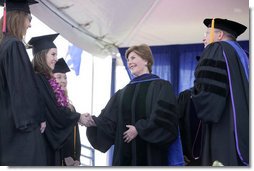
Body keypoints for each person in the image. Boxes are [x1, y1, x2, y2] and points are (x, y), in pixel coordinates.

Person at [86, 44, 180, 166]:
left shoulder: (161, 86)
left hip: (151, 156)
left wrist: (139, 129)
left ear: (146, 60)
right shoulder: (122, 93)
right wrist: (93, 122)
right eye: (128, 60)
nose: (129, 62)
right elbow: (109, 121)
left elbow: (166, 120)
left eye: (133, 58)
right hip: (124, 159)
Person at [191, 18, 249, 166]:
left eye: (207, 33)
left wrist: (195, 96)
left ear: (220, 35)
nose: (204, 38)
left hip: (224, 124)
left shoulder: (217, 48)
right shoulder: (244, 54)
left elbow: (208, 90)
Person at [28, 33, 87, 166]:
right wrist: (78, 117)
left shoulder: (42, 79)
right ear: (43, 55)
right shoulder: (37, 79)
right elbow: (53, 112)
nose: (55, 58)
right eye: (53, 54)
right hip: (41, 145)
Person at [0, 0, 47, 166]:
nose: (29, 25)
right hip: (21, 131)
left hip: (7, 127)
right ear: (19, 18)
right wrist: (37, 118)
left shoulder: (3, 45)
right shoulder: (14, 45)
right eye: (29, 19)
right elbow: (22, 88)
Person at [52, 58, 81, 166]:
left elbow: (76, 136)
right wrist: (65, 156)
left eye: (65, 77)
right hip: (57, 158)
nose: (63, 80)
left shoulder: (71, 108)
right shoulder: (51, 105)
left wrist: (77, 157)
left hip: (71, 161)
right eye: (59, 77)